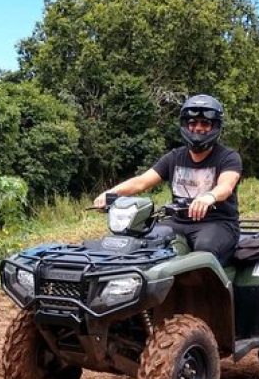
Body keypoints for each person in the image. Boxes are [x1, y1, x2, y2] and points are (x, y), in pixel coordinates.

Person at [93, 94, 242, 265]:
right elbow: (141, 182)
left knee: (204, 251)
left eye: (205, 123)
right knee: (144, 244)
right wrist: (111, 193)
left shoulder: (228, 157)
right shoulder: (174, 157)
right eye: (193, 123)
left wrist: (209, 197)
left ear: (215, 127)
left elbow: (226, 185)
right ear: (185, 125)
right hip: (177, 222)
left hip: (217, 223)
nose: (198, 128)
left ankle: (211, 291)